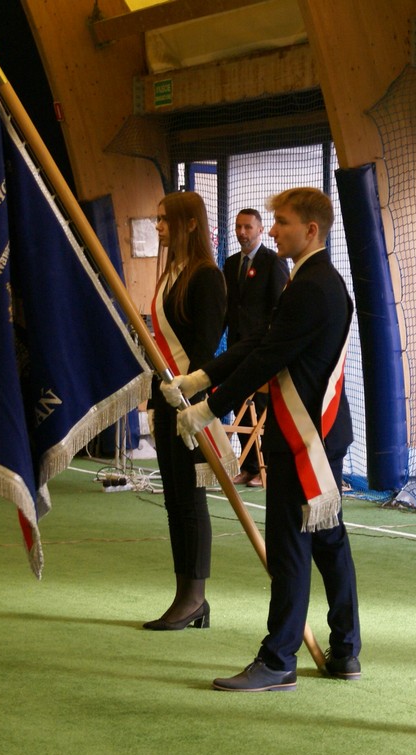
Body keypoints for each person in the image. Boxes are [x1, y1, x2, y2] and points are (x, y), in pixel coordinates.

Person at [165, 187, 361, 692]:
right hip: (320, 433)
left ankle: (278, 660)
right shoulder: (313, 279)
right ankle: (345, 649)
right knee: (327, 538)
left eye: (282, 222)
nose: (272, 231)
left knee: (290, 545)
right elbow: (258, 340)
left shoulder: (313, 286)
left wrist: (209, 407)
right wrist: (201, 377)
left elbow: (268, 357)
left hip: (304, 437)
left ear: (311, 230)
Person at [143, 191, 229, 632]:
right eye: (157, 219)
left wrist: (189, 398)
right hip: (166, 400)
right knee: (174, 500)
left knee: (191, 499)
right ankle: (185, 595)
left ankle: (194, 597)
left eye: (165, 220)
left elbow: (206, 349)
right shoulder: (169, 274)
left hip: (191, 404)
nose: (158, 227)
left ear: (190, 224)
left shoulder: (206, 277)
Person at [222, 208, 289, 487]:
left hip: (262, 350)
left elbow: (280, 308)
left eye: (248, 227)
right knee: (239, 403)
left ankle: (268, 467)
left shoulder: (273, 262)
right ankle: (249, 467)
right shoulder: (230, 264)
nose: (242, 232)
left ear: (260, 230)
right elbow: (229, 307)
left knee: (263, 408)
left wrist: (270, 347)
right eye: (238, 227)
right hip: (236, 348)